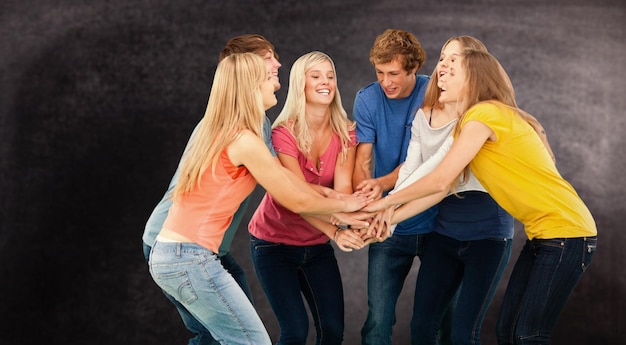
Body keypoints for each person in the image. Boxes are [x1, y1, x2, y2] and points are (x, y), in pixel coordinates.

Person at [362, 40, 597, 345]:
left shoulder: (485, 115)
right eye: (441, 67)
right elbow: (441, 186)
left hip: (568, 233)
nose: (440, 74)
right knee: (510, 333)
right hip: (547, 235)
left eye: (452, 69)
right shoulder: (469, 125)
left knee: (526, 335)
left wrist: (382, 205)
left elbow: (437, 179)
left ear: (474, 79)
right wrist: (388, 218)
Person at [148, 52, 369, 345]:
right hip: (189, 258)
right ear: (250, 87)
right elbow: (297, 200)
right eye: (268, 79)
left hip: (178, 255)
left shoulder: (225, 130)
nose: (275, 85)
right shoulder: (244, 142)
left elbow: (295, 186)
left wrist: (343, 209)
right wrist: (347, 205)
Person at [142, 34, 281, 345]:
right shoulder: (249, 125)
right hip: (179, 243)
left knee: (215, 332)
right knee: (230, 335)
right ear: (248, 69)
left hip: (171, 242)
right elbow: (285, 184)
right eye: (269, 56)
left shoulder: (225, 120)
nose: (277, 63)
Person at [248, 51, 366, 345]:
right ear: (300, 83)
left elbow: (341, 195)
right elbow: (297, 197)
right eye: (316, 76)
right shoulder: (282, 133)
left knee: (333, 331)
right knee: (295, 331)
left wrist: (359, 224)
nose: (325, 82)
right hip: (273, 244)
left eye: (330, 76)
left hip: (316, 246)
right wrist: (336, 231)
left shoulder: (346, 132)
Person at [351, 29, 452, 345]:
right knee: (377, 323)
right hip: (388, 226)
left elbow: (427, 162)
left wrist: (382, 187)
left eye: (393, 73)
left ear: (413, 68)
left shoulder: (434, 94)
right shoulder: (367, 99)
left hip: (438, 224)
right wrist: (365, 201)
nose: (386, 81)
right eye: (380, 73)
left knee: (441, 322)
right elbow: (363, 160)